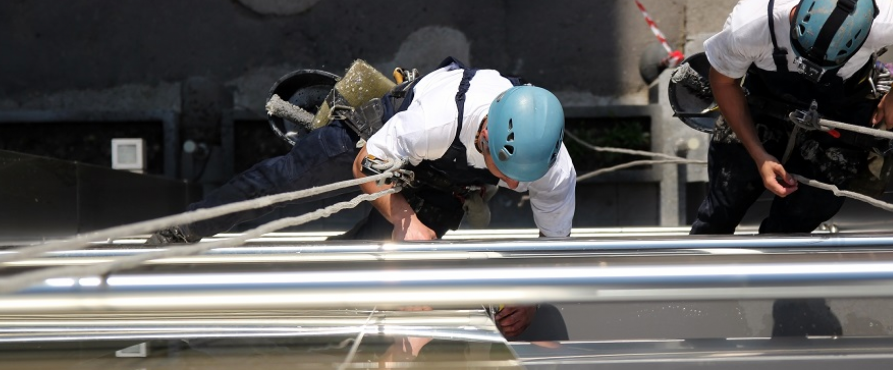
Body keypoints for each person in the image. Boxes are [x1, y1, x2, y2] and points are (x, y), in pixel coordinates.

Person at [148, 57, 577, 339]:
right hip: (379, 140)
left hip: (446, 181)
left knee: (369, 266)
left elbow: (552, 243)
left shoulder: (554, 167)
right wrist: (407, 221)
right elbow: (365, 166)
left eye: (525, 180)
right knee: (281, 183)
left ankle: (307, 312)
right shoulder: (436, 119)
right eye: (507, 175)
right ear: (485, 135)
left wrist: (530, 294)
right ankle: (183, 229)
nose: (518, 188)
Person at [688, 0, 893, 337]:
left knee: (804, 214)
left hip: (839, 105)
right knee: (722, 207)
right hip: (761, 102)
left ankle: (790, 318)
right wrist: (758, 155)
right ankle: (700, 314)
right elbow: (723, 82)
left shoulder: (882, 16)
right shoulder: (751, 24)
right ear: (792, 18)